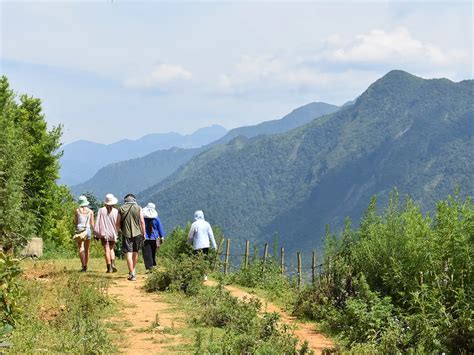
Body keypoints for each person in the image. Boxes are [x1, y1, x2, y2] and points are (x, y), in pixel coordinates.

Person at [116, 193, 145, 281]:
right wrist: (144, 233)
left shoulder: (121, 209)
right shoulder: (139, 208)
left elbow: (117, 223)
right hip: (137, 233)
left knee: (128, 253)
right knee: (135, 252)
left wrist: (119, 231)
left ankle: (131, 273)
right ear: (134, 200)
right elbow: (142, 222)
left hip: (126, 234)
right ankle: (133, 270)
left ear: (125, 201)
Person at [188, 210, 216, 280]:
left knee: (196, 260)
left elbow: (190, 236)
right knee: (205, 259)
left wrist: (188, 243)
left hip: (197, 246)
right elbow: (211, 235)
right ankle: (205, 275)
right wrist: (214, 245)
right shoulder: (207, 224)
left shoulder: (194, 224)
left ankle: (196, 275)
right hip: (206, 245)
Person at [94, 193, 119, 273]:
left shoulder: (101, 210)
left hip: (103, 233)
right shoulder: (116, 211)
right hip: (113, 233)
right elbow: (118, 223)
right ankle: (113, 264)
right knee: (111, 249)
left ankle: (109, 268)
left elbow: (97, 222)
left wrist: (96, 233)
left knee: (106, 250)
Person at [142, 202, 165, 271]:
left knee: (146, 253)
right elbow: (160, 228)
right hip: (154, 238)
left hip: (145, 238)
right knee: (153, 252)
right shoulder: (156, 218)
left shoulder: (143, 218)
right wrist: (162, 237)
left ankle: (149, 267)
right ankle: (153, 265)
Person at [75, 195, 95, 272]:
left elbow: (76, 222)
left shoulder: (77, 211)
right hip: (87, 230)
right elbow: (92, 223)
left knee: (81, 248)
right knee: (87, 249)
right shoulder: (90, 211)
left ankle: (83, 266)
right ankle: (86, 265)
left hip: (79, 229)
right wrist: (94, 232)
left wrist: (76, 230)